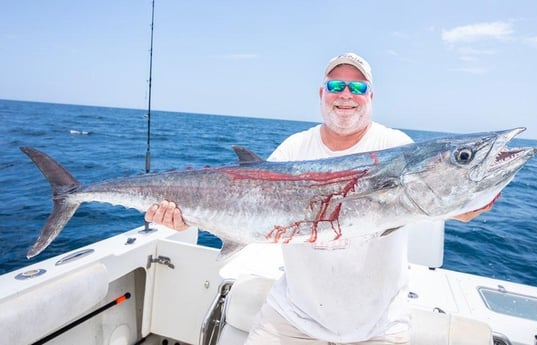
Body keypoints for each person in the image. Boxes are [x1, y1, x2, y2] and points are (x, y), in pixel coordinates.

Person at [145, 52, 495, 344]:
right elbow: (251, 204)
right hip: (292, 316)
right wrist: (184, 217)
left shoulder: (395, 146)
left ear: (370, 97)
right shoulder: (296, 148)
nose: (346, 93)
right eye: (336, 85)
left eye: (358, 86)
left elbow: (437, 202)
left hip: (380, 326)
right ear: (322, 94)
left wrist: (464, 207)